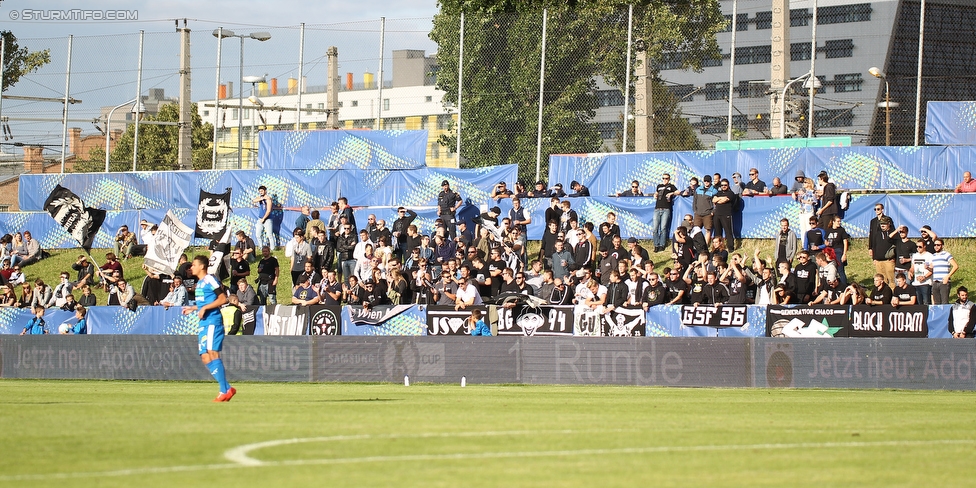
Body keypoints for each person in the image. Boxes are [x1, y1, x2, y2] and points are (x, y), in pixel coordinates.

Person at [182, 255, 235, 402]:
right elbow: (205, 303)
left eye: (193, 265)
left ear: (202, 266)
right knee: (205, 356)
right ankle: (227, 388)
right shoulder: (199, 284)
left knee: (212, 352)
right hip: (203, 323)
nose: (191, 267)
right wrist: (193, 308)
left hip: (213, 321)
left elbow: (223, 299)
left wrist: (205, 307)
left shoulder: (210, 279)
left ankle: (224, 391)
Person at [651, 174, 679, 252]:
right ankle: (656, 245)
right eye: (663, 178)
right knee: (655, 228)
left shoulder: (671, 186)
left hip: (666, 209)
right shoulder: (659, 186)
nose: (665, 180)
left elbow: (678, 192)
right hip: (657, 208)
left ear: (669, 179)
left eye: (666, 178)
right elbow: (656, 193)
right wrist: (655, 194)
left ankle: (662, 245)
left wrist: (671, 193)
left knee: (663, 228)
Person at [711, 178, 738, 250]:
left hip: (726, 214)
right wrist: (720, 198)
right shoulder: (718, 192)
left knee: (728, 232)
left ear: (728, 185)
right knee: (717, 232)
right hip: (717, 214)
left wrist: (718, 199)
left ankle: (730, 248)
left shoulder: (731, 193)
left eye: (725, 185)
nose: (723, 186)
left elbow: (724, 201)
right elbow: (714, 200)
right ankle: (718, 247)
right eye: (722, 185)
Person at [930, 239, 959, 305]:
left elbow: (955, 266)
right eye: (935, 245)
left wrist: (947, 276)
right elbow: (934, 269)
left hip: (944, 282)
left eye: (938, 245)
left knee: (944, 303)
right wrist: (927, 267)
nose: (936, 246)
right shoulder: (933, 256)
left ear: (942, 246)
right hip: (935, 282)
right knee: (937, 304)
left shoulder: (946, 254)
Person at [869, 216, 897, 284]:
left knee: (892, 280)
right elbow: (874, 246)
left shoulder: (894, 234)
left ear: (889, 224)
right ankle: (885, 294)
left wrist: (895, 258)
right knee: (882, 281)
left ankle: (893, 294)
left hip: (889, 261)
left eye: (884, 223)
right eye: (881, 224)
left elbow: (897, 247)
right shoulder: (877, 234)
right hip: (878, 261)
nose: (882, 225)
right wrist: (874, 258)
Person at [825, 215, 850, 285]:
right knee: (831, 269)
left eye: (840, 221)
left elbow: (845, 242)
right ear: (833, 222)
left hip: (838, 250)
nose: (839, 223)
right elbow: (825, 241)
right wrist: (826, 243)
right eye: (838, 221)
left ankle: (844, 287)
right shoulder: (829, 230)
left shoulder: (841, 230)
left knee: (840, 270)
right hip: (830, 251)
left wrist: (844, 254)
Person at [692, 175, 717, 241]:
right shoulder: (698, 189)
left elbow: (716, 203)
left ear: (711, 181)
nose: (706, 182)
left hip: (708, 214)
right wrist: (695, 210)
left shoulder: (714, 191)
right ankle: (696, 245)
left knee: (708, 230)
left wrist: (713, 212)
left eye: (708, 181)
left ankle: (705, 247)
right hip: (698, 213)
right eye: (705, 181)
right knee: (696, 230)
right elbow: (695, 200)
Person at [909, 239, 934, 306]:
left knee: (926, 302)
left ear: (924, 246)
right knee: (919, 303)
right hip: (916, 283)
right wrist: (910, 272)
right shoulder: (915, 255)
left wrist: (924, 277)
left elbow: (932, 269)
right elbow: (912, 267)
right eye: (917, 246)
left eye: (920, 247)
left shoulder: (929, 256)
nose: (918, 248)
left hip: (926, 283)